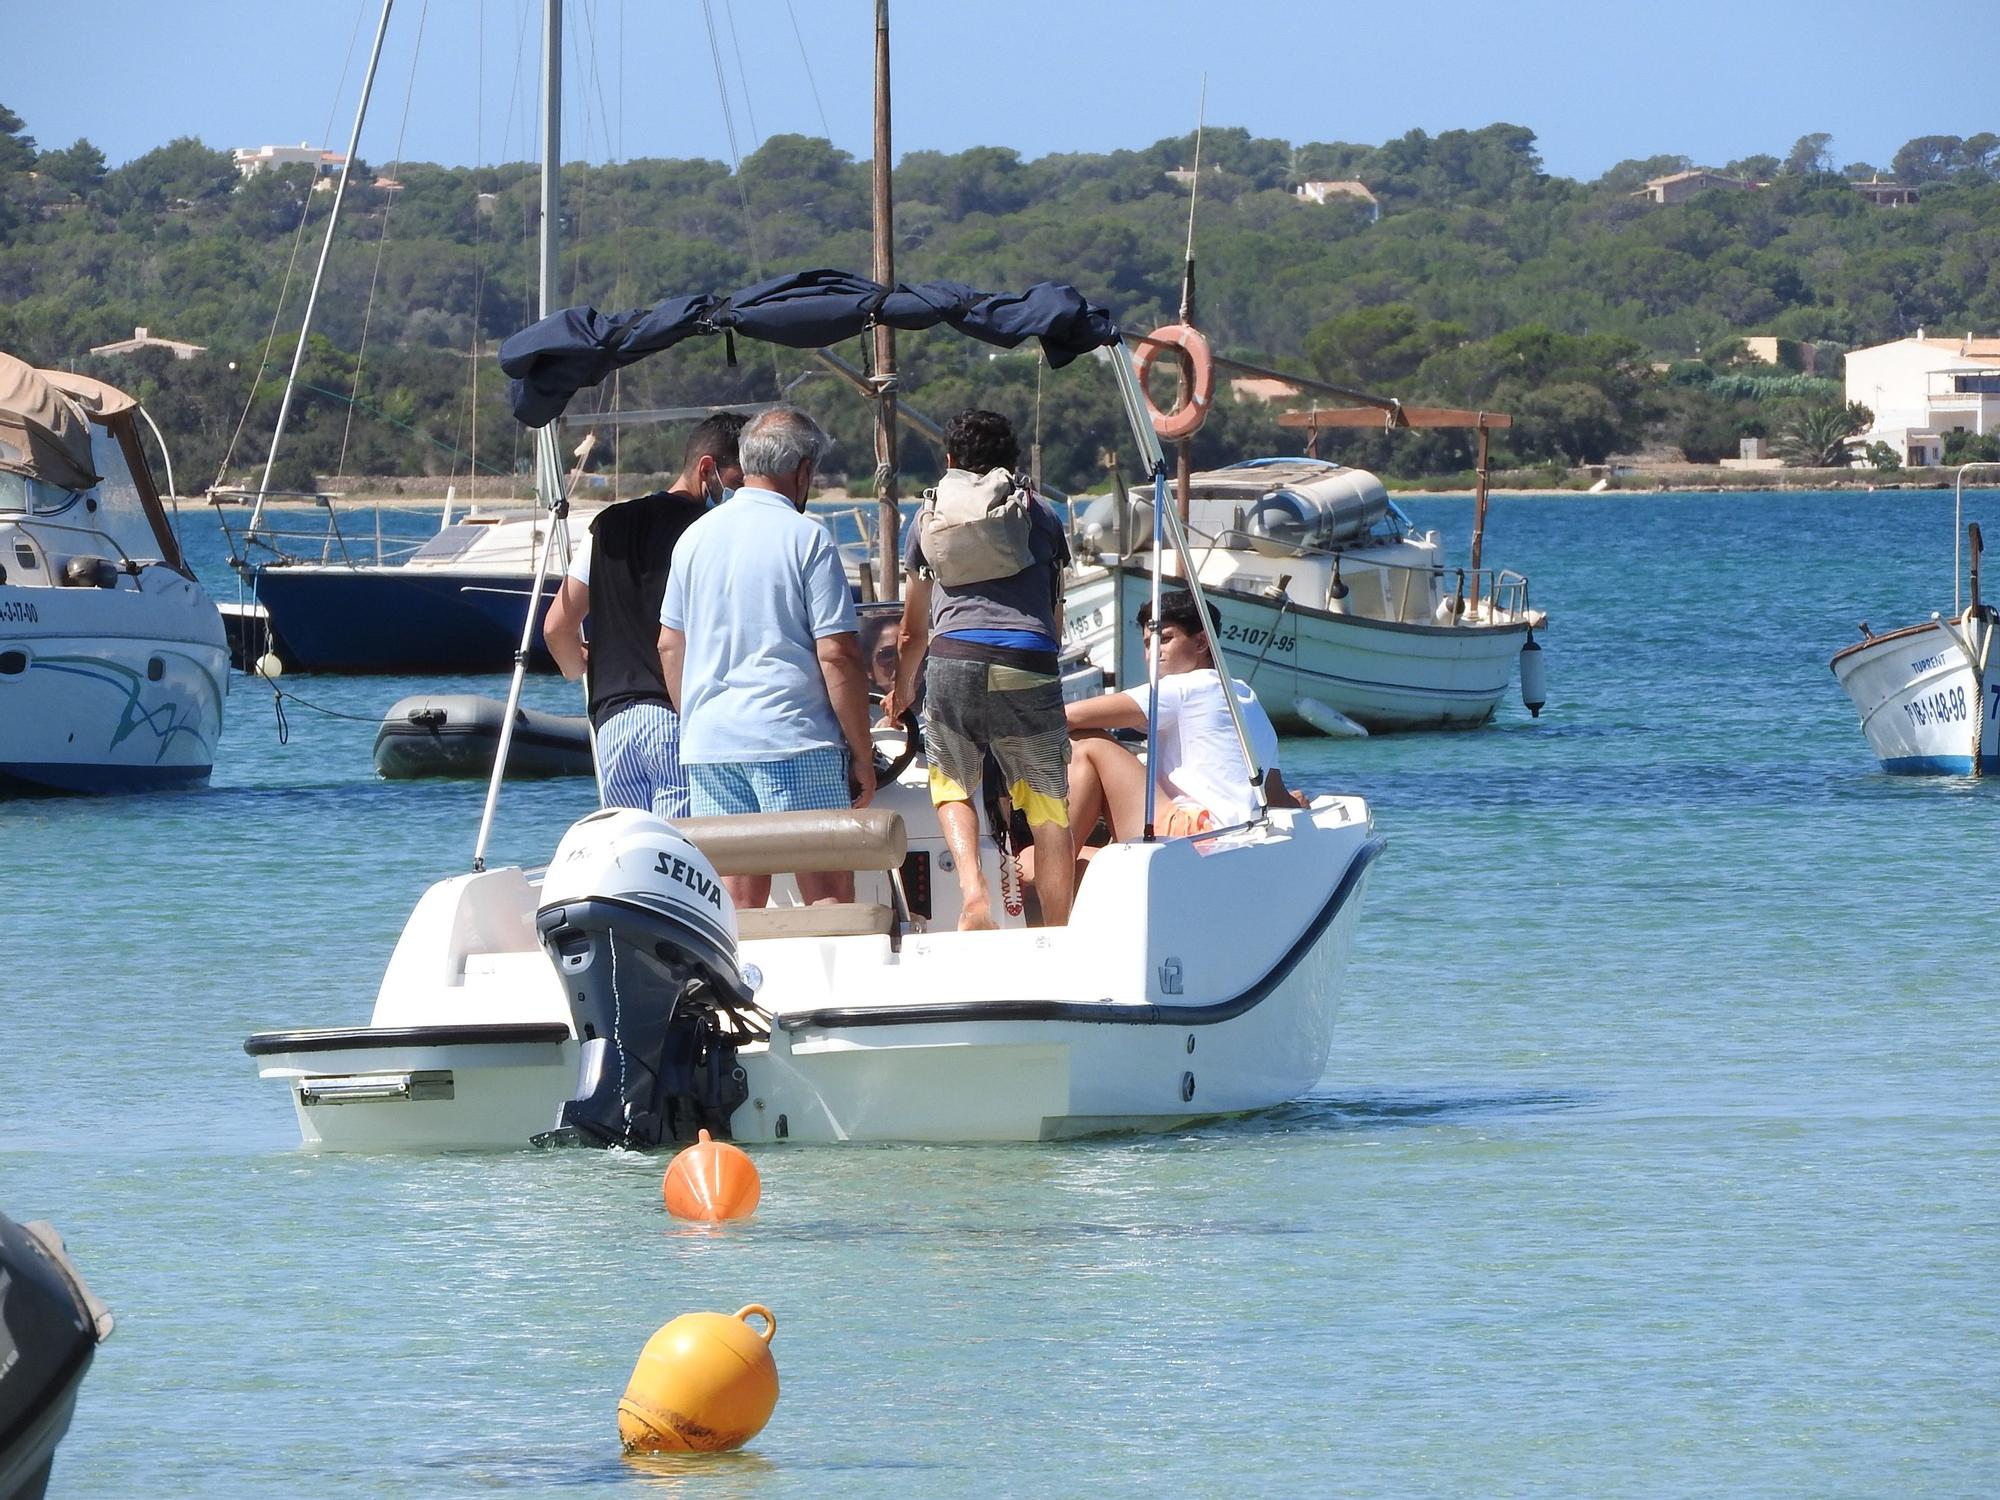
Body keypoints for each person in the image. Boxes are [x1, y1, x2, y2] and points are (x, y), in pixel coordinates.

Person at [656, 405, 875, 910]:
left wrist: (697, 720)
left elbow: (671, 645)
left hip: (712, 745)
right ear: (802, 471)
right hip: (793, 741)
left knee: (738, 902)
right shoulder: (808, 538)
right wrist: (862, 755)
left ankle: (741, 989)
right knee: (828, 895)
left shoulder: (695, 537)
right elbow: (838, 654)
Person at [880, 409, 1074, 929]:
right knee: (1049, 808)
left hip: (952, 662)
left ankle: (972, 891)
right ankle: (1059, 932)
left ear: (949, 461)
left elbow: (910, 631)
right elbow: (1054, 621)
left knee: (952, 785)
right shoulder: (1042, 514)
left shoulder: (927, 519)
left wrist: (901, 691)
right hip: (1026, 661)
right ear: (1010, 464)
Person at [543, 412, 745, 818]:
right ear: (708, 469)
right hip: (674, 717)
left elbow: (557, 626)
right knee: (685, 856)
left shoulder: (608, 524)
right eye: (738, 483)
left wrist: (576, 666)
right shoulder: (709, 531)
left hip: (612, 724)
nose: (740, 496)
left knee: (634, 858)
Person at [1065, 591, 1306, 847]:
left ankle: (1059, 856)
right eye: (1148, 644)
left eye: (1165, 639)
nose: (1152, 653)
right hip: (1234, 841)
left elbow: (1068, 716)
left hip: (1192, 836)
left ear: (1201, 643)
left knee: (1090, 743)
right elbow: (1274, 795)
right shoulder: (1246, 697)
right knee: (1088, 863)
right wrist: (1297, 803)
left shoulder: (1184, 687)